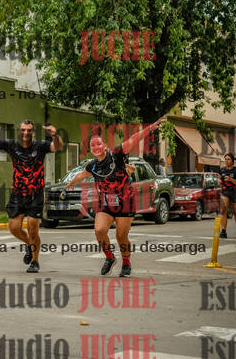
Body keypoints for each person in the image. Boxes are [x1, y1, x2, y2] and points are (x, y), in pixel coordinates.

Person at [65, 119, 164, 277]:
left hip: (125, 201)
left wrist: (150, 128)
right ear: (90, 150)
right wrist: (70, 184)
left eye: (98, 143)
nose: (96, 147)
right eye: (92, 145)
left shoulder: (116, 154)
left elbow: (133, 139)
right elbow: (81, 175)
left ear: (104, 145)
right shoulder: (93, 165)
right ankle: (110, 258)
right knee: (99, 230)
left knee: (121, 236)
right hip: (106, 203)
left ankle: (126, 262)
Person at [0, 120, 63, 273]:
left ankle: (35, 261)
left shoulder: (40, 146)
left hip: (35, 194)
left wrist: (55, 135)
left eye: (29, 130)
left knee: (32, 229)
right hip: (18, 194)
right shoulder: (11, 145)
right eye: (23, 130)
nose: (26, 133)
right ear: (19, 131)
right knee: (14, 228)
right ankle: (29, 245)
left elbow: (57, 147)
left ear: (33, 132)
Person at [218, 152, 236, 239]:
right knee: (223, 211)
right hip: (224, 191)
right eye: (225, 159)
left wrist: (230, 179)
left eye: (228, 159)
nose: (226, 161)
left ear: (232, 161)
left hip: (235, 192)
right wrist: (219, 181)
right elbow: (219, 178)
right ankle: (223, 231)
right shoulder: (222, 170)